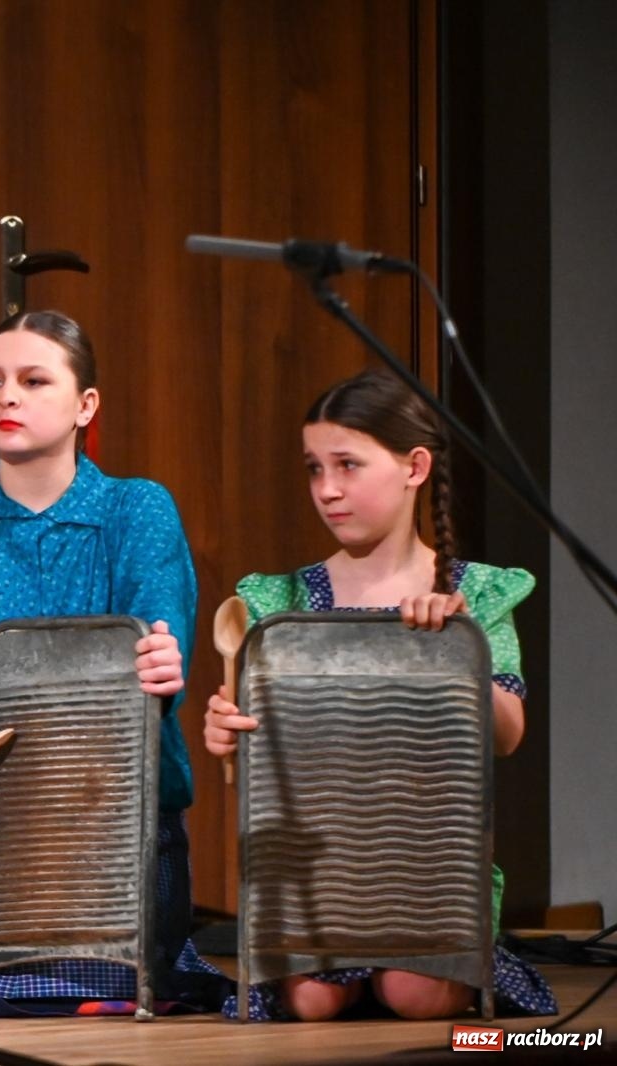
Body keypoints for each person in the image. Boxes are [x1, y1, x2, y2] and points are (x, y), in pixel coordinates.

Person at [0, 310, 225, 1014]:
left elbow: (156, 628)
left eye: (33, 380)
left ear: (86, 404)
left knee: (103, 983)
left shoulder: (134, 509)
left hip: (101, 818)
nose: (7, 397)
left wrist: (160, 664)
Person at [202, 368, 557, 1021]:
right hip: (321, 871)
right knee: (310, 1002)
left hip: (429, 868)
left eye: (347, 465)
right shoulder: (278, 602)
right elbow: (254, 755)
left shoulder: (474, 596)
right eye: (314, 468)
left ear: (414, 466)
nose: (327, 490)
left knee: (414, 993)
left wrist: (456, 647)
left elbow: (508, 734)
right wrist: (226, 730)